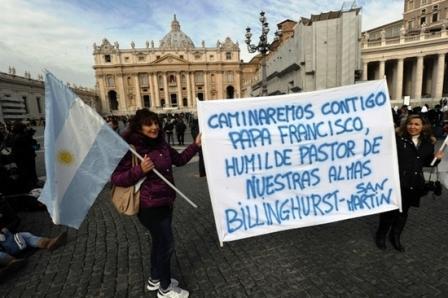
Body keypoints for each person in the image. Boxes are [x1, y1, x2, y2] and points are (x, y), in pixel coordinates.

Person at [111, 109, 200, 298]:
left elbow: (180, 160)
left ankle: (155, 278)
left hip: (166, 201)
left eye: (156, 123)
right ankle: (165, 289)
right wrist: (140, 170)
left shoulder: (161, 144)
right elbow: (117, 178)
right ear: (139, 127)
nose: (155, 127)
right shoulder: (131, 148)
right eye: (149, 124)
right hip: (149, 206)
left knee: (159, 243)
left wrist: (195, 145)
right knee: (166, 244)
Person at [375, 114, 444, 252]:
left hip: (413, 183)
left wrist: (437, 159)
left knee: (403, 213)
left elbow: (426, 163)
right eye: (410, 123)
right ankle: (381, 235)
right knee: (389, 212)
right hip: (396, 182)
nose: (412, 127)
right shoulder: (397, 139)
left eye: (416, 124)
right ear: (405, 125)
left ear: (423, 126)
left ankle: (395, 237)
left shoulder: (427, 143)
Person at [0, 228, 67, 279]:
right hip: (4, 251)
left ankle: (48, 243)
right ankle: (12, 263)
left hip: (11, 241)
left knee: (25, 236)